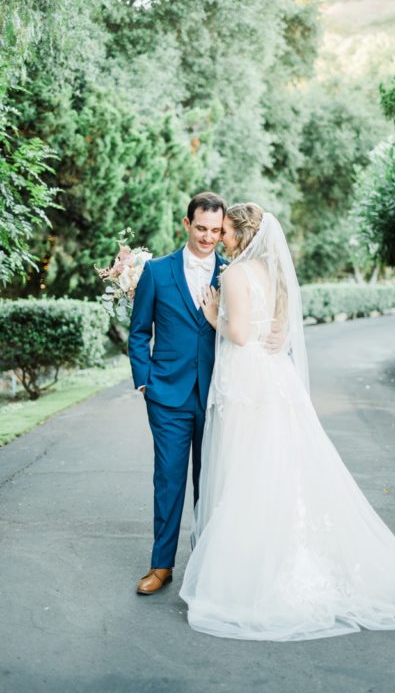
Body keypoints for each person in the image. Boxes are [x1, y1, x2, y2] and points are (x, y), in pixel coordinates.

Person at [178, 202, 395, 641]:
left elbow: (238, 334)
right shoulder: (272, 273)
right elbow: (280, 326)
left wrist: (213, 313)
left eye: (227, 232)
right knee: (281, 466)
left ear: (241, 234)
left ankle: (251, 572)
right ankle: (290, 556)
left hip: (248, 379)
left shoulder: (235, 274)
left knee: (246, 469)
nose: (221, 238)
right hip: (275, 375)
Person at [129, 192, 229, 595]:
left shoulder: (232, 272)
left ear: (223, 231)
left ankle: (207, 565)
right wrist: (144, 382)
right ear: (187, 225)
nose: (207, 238)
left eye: (216, 231)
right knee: (169, 480)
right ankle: (161, 565)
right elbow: (139, 333)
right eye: (201, 228)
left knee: (213, 482)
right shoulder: (156, 271)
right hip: (166, 396)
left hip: (217, 396)